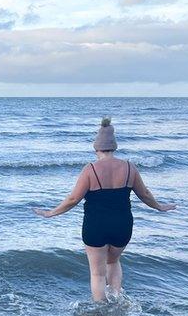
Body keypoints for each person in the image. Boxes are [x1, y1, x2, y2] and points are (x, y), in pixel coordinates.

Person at [35, 118, 176, 302]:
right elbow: (145, 194)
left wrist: (51, 212)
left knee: (97, 273)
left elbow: (72, 199)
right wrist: (159, 207)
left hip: (96, 226)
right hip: (122, 225)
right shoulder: (129, 167)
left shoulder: (90, 169)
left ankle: (101, 310)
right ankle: (117, 301)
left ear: (96, 148)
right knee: (113, 261)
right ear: (114, 147)